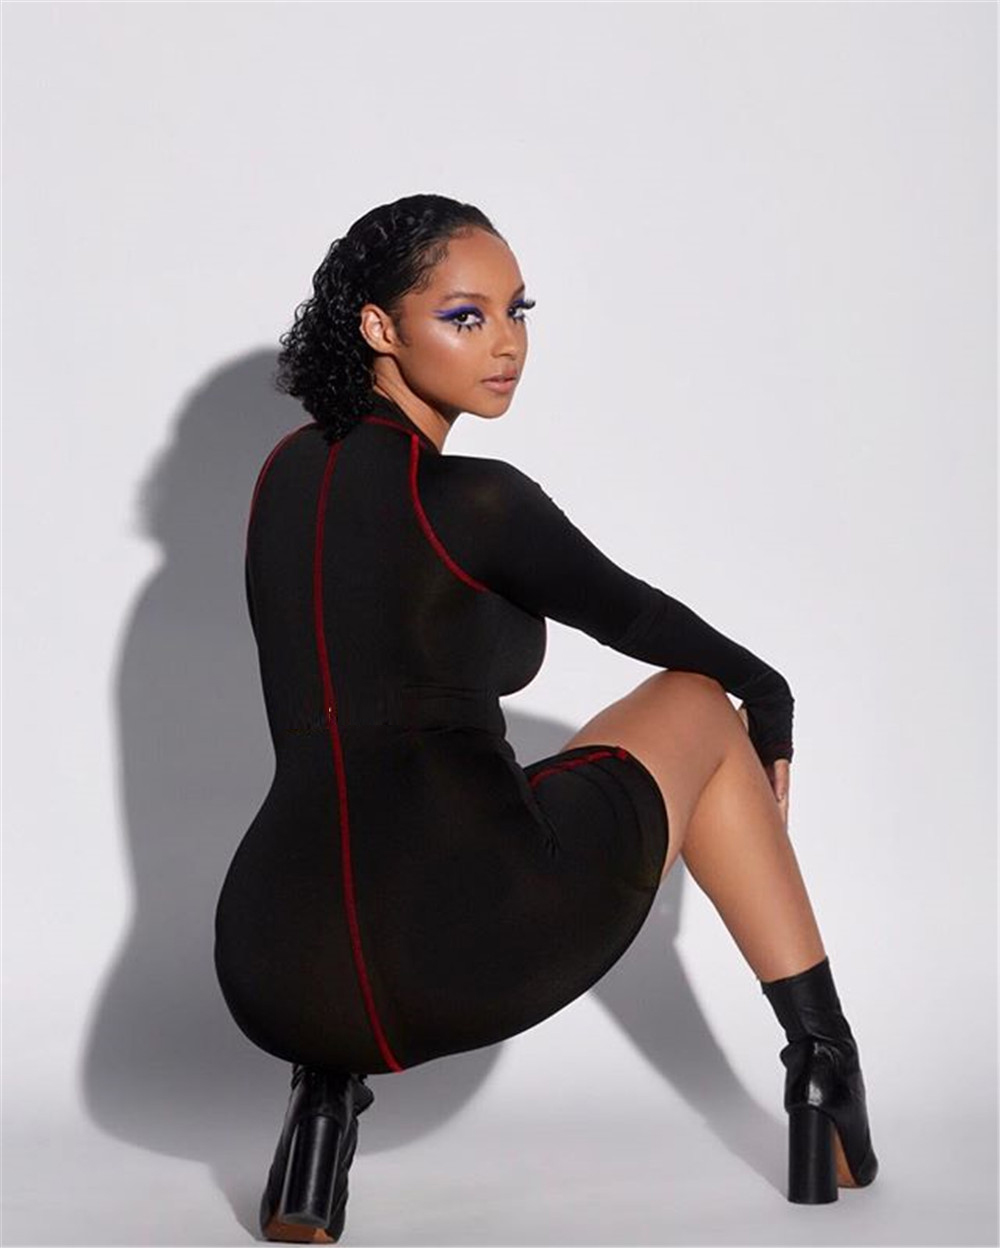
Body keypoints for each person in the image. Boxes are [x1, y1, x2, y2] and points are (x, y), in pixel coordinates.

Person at [213, 194, 878, 1243]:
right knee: (697, 702)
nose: (509, 344)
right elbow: (647, 625)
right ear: (379, 327)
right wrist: (773, 698)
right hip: (457, 955)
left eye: (518, 310)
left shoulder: (279, 481)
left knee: (360, 792)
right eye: (465, 316)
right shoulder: (476, 501)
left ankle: (320, 1118)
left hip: (274, 963)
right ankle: (823, 1067)